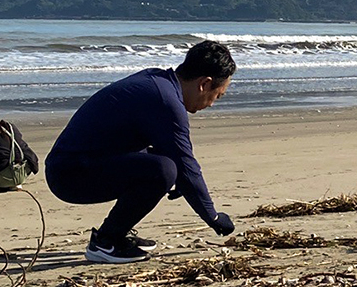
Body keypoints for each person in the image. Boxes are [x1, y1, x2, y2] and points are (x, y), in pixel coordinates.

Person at [46, 41, 237, 264]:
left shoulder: (158, 81)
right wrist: (212, 216)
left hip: (74, 164)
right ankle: (106, 242)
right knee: (163, 170)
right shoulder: (166, 102)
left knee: (165, 166)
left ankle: (117, 234)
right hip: (70, 175)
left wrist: (182, 181)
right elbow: (185, 163)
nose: (213, 104)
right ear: (204, 84)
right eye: (218, 95)